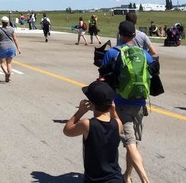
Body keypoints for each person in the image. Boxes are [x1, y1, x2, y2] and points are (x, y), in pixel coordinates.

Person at [100, 20, 154, 183]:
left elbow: (103, 77)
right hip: (139, 103)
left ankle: (144, 179)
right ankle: (127, 177)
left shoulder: (113, 53)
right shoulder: (144, 54)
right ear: (134, 35)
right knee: (133, 143)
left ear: (120, 35)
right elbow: (153, 71)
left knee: (130, 143)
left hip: (120, 103)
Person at [62, 80, 123, 183]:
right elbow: (116, 121)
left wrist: (80, 111)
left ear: (91, 103)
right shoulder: (117, 124)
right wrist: (113, 110)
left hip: (95, 180)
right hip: (115, 178)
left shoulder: (87, 124)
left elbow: (67, 130)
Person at [0, 15, 21, 82]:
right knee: (9, 63)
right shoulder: (11, 29)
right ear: (8, 22)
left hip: (3, 47)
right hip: (11, 47)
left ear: (2, 22)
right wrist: (18, 48)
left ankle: (6, 73)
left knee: (2, 63)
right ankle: (8, 77)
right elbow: (15, 39)